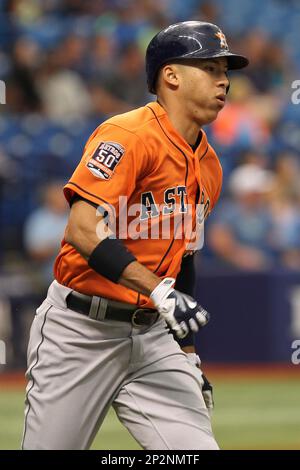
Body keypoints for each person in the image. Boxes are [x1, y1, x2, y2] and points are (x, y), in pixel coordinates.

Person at [22, 21, 248, 450]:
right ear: (171, 76)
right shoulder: (127, 136)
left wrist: (189, 353)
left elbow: (184, 258)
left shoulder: (210, 165)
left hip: (153, 338)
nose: (224, 80)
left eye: (226, 71)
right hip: (81, 331)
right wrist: (159, 292)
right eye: (211, 67)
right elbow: (81, 232)